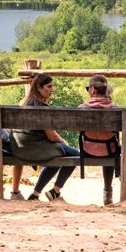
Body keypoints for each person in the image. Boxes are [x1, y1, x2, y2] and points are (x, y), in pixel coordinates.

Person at [10, 73, 80, 201]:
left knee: (57, 154)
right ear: (39, 87)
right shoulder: (42, 108)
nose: (52, 90)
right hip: (33, 148)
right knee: (75, 155)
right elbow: (52, 136)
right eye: (49, 86)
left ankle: (35, 195)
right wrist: (64, 142)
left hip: (18, 148)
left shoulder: (24, 103)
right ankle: (55, 191)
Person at [78, 75, 119, 206]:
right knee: (114, 149)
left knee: (109, 147)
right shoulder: (115, 109)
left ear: (93, 90)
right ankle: (108, 192)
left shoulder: (81, 109)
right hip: (109, 151)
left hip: (87, 150)